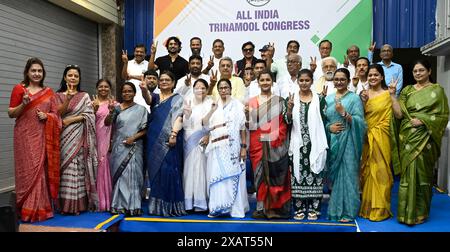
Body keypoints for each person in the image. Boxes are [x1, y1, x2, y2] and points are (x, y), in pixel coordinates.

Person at [390, 59, 449, 225]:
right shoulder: (407, 90)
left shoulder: (437, 91)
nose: (417, 73)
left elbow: (443, 116)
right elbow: (399, 115)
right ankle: (405, 213)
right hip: (408, 137)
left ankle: (421, 212)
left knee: (423, 175)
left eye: (421, 70)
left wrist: (423, 120)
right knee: (407, 176)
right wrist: (393, 96)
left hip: (426, 139)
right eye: (415, 71)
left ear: (429, 71)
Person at [8, 58, 61, 222]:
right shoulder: (19, 89)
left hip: (41, 136)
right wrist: (23, 104)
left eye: (39, 71)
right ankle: (26, 209)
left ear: (43, 73)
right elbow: (11, 113)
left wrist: (47, 116)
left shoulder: (49, 92)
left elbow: (57, 116)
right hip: (23, 137)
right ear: (27, 72)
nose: (37, 73)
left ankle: (41, 209)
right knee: (27, 172)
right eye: (33, 71)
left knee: (39, 172)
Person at [248, 70, 291, 219]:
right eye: (262, 80)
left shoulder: (280, 100)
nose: (265, 82)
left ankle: (277, 208)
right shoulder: (252, 101)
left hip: (275, 144)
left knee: (275, 175)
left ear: (272, 82)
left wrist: (274, 136)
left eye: (268, 80)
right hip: (257, 142)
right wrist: (249, 116)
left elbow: (285, 123)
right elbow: (251, 124)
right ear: (258, 82)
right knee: (259, 175)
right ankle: (261, 207)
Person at [325, 68, 366, 222]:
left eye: (343, 79)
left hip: (349, 142)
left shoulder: (354, 99)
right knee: (335, 178)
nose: (339, 82)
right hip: (333, 142)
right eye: (336, 79)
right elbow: (323, 122)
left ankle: (348, 211)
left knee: (348, 175)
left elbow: (361, 123)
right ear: (333, 81)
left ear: (348, 81)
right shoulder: (328, 99)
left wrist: (344, 113)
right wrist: (329, 128)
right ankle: (335, 210)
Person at [203, 78, 249, 218]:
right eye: (221, 88)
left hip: (234, 146)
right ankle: (218, 207)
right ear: (218, 90)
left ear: (230, 89)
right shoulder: (213, 105)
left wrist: (243, 147)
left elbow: (242, 128)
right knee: (218, 175)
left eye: (226, 88)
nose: (223, 90)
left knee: (234, 175)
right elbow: (205, 124)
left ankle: (234, 208)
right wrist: (211, 111)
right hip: (217, 147)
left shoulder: (238, 105)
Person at [56, 65, 98, 214]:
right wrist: (67, 100)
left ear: (79, 79)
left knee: (78, 169)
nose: (73, 78)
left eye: (76, 76)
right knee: (66, 168)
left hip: (79, 137)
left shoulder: (84, 96)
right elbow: (57, 115)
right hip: (63, 138)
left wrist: (71, 120)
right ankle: (65, 206)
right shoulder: (58, 95)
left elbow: (89, 115)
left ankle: (78, 206)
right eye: (70, 75)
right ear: (65, 77)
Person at [287, 69, 328, 221]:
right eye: (301, 80)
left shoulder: (319, 99)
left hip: (315, 143)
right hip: (297, 144)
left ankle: (314, 208)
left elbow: (324, 120)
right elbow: (287, 122)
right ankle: (299, 208)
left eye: (307, 80)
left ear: (312, 81)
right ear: (297, 81)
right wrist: (290, 109)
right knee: (298, 174)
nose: (304, 83)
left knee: (315, 173)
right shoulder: (291, 99)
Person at [145, 71, 186, 216]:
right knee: (155, 171)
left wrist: (174, 134)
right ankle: (156, 206)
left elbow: (179, 117)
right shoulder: (155, 97)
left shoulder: (178, 99)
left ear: (173, 83)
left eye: (167, 80)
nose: (163, 82)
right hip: (153, 137)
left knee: (169, 171)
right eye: (161, 80)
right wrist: (144, 89)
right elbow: (148, 99)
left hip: (170, 138)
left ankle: (170, 206)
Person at [106, 82, 147, 216]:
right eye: (124, 91)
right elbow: (107, 123)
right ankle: (118, 205)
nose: (127, 93)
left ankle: (133, 206)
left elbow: (145, 129)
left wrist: (133, 138)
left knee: (133, 176)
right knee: (120, 177)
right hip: (119, 147)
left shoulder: (141, 109)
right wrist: (111, 112)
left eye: (130, 91)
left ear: (135, 93)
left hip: (134, 146)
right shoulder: (117, 108)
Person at [358, 64, 393, 221]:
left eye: (376, 75)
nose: (372, 77)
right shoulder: (363, 94)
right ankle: (367, 208)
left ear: (382, 77)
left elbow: (397, 115)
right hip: (367, 138)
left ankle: (380, 210)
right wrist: (362, 101)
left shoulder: (387, 94)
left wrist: (393, 95)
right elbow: (360, 117)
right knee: (367, 173)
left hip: (382, 138)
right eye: (370, 75)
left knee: (382, 173)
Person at [182, 79, 212, 212]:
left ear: (207, 89)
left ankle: (201, 202)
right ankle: (189, 202)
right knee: (189, 169)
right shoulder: (188, 102)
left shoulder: (211, 103)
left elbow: (215, 122)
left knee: (202, 169)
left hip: (205, 140)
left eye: (203, 87)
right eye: (197, 87)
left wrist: (209, 135)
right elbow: (185, 125)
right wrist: (187, 115)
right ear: (193, 89)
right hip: (190, 139)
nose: (200, 90)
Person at [91, 79, 115, 212]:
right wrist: (93, 110)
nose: (103, 89)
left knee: (104, 164)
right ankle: (95, 200)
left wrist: (111, 111)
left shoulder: (114, 104)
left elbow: (109, 123)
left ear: (110, 89)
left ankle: (106, 200)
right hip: (93, 136)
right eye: (101, 87)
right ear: (96, 88)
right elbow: (87, 121)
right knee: (94, 165)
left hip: (107, 136)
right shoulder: (91, 103)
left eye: (106, 87)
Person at [121, 44, 150, 111]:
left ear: (145, 54)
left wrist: (132, 76)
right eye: (137, 51)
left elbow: (148, 79)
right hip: (130, 96)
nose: (139, 53)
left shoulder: (149, 65)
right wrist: (125, 63)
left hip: (144, 96)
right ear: (134, 52)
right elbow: (124, 77)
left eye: (141, 52)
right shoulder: (129, 63)